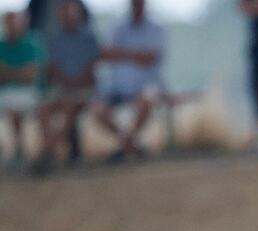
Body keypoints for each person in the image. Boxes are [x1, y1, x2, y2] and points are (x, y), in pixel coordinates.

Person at [92, 0, 165, 163]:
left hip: (146, 85)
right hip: (116, 87)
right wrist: (137, 55)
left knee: (147, 100)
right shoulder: (117, 27)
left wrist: (122, 54)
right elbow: (104, 53)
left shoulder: (156, 28)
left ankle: (125, 145)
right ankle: (132, 145)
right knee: (97, 109)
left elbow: (152, 57)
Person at [33, 0, 99, 174]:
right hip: (62, 89)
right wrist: (67, 84)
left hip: (83, 90)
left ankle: (47, 152)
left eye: (73, 13)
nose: (70, 17)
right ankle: (52, 151)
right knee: (44, 109)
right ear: (60, 16)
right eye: (66, 13)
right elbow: (52, 69)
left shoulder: (89, 38)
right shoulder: (52, 39)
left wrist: (73, 84)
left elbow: (90, 72)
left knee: (70, 105)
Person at [0, 11, 44, 168]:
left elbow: (31, 75)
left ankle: (29, 152)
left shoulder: (32, 43)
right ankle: (19, 150)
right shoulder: (1, 45)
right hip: (6, 93)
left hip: (28, 92)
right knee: (11, 108)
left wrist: (8, 72)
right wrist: (19, 72)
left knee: (15, 109)